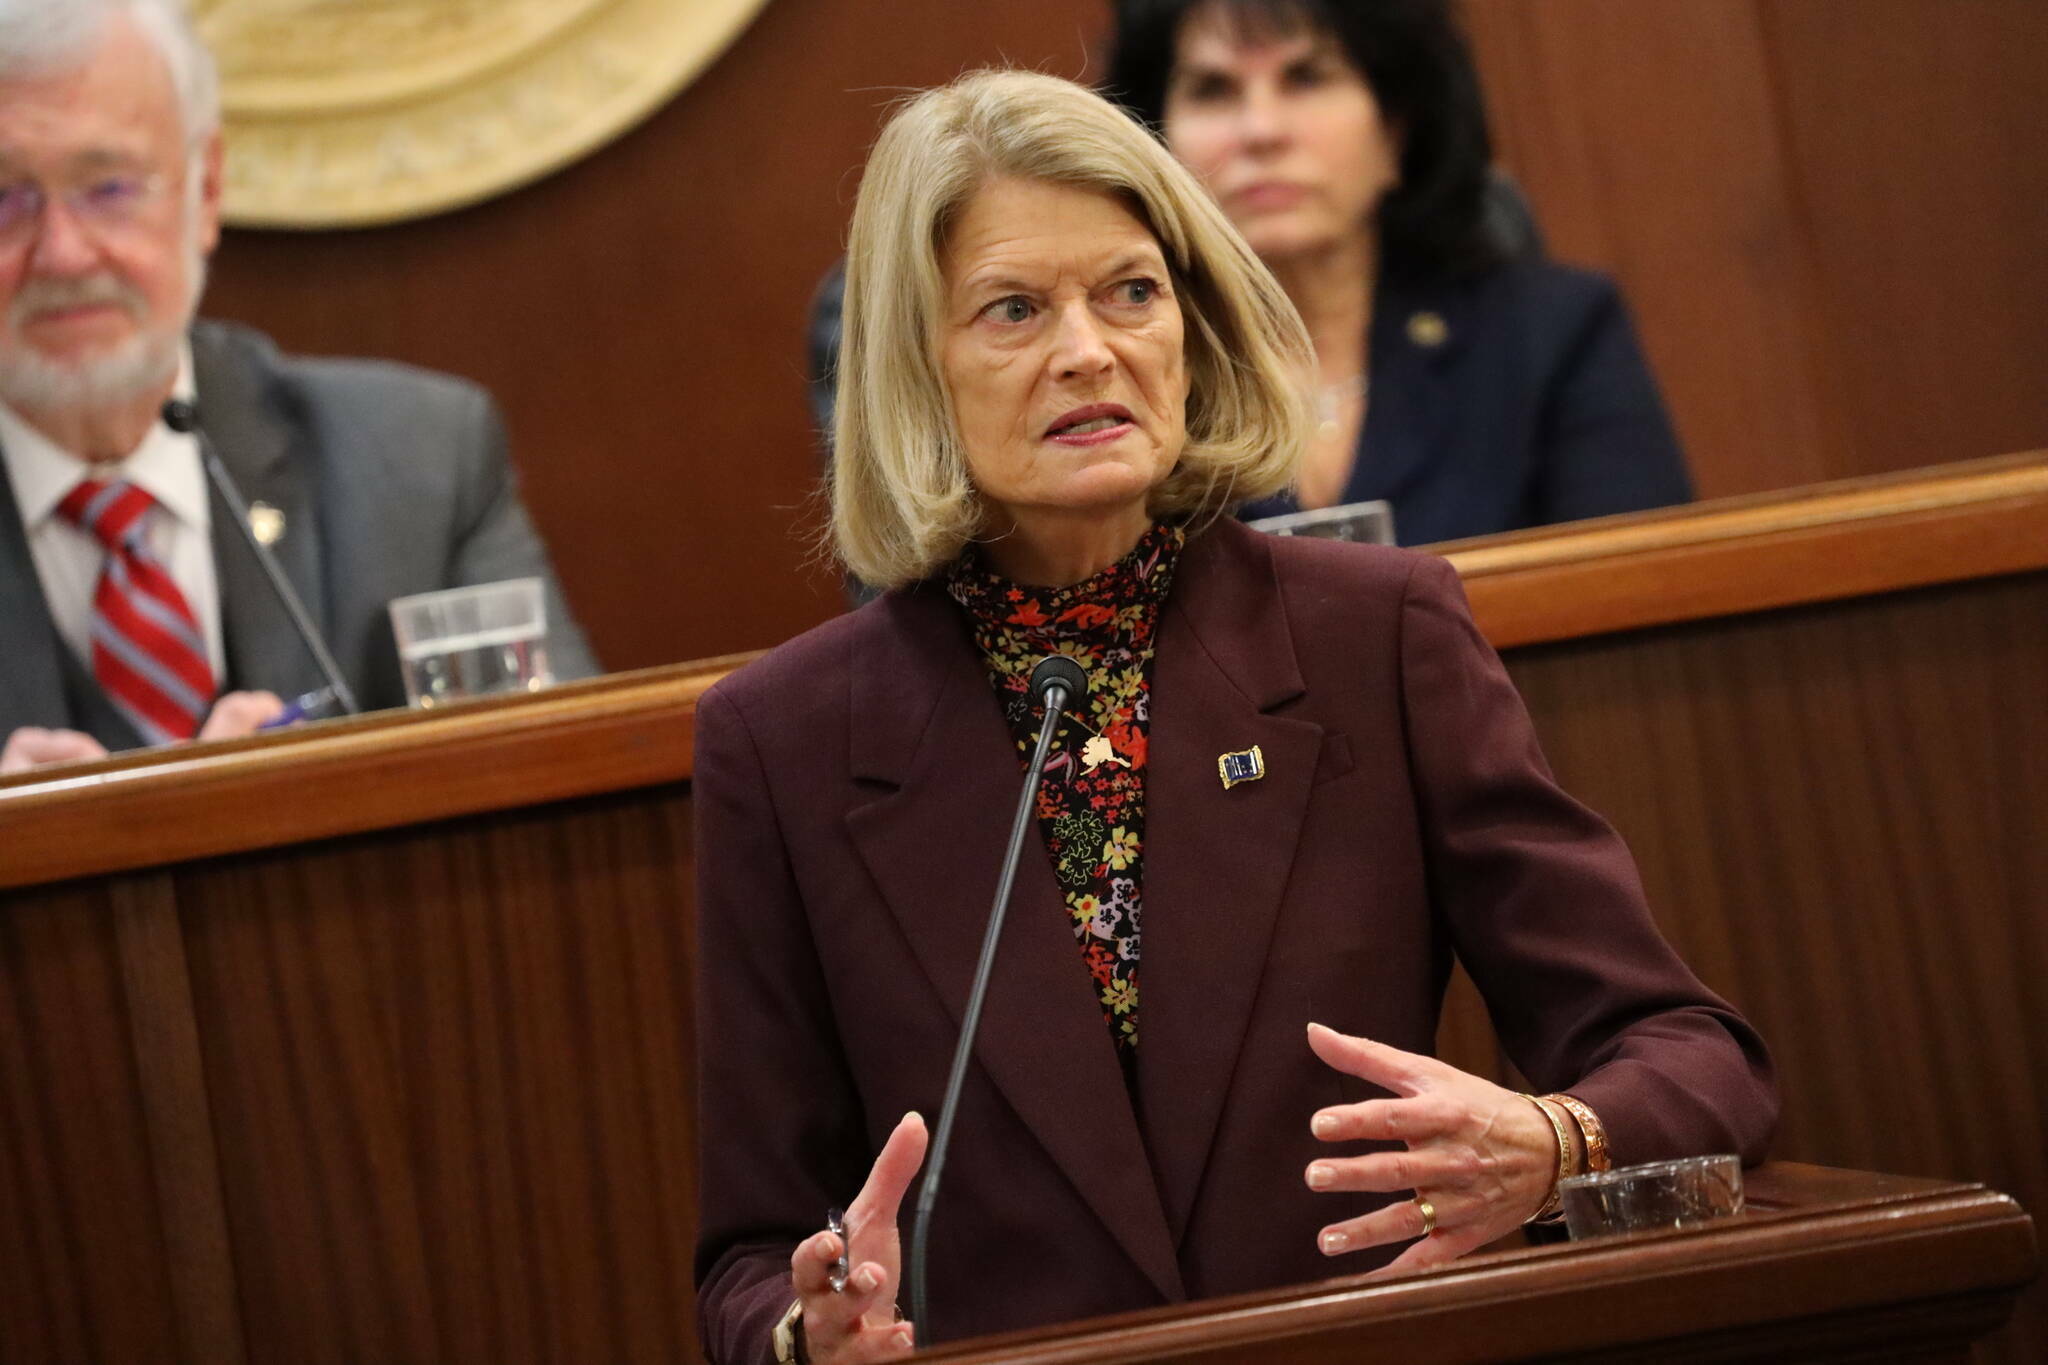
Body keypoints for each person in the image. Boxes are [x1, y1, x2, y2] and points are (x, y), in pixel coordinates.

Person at [695, 68, 1773, 1364]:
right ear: (912, 369)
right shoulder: (786, 739)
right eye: (1013, 309)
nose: (1089, 349)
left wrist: (1555, 1142)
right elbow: (750, 1257)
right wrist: (803, 1331)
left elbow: (1691, 1054)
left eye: (1132, 291)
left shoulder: (1375, 637)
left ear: (1193, 325)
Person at [0, 0, 595, 775]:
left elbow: (561, 790)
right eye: (5, 199)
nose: (64, 254)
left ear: (205, 191)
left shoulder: (419, 462)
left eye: (108, 187)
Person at [1105, 0, 1694, 544]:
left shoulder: (1555, 335)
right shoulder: (1113, 365)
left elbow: (1648, 597)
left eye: (1307, 78)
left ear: (1397, 127)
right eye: (1213, 89)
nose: (1261, 131)